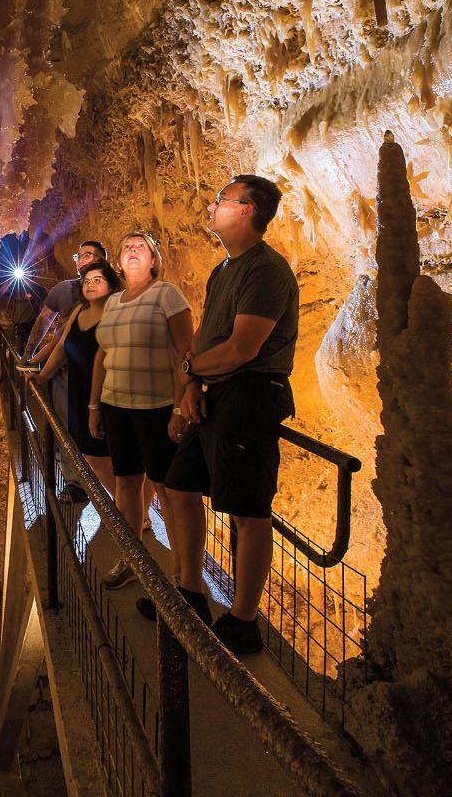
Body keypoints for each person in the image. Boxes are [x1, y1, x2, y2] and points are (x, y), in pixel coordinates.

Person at [164, 175, 298, 655]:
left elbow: (243, 348)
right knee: (179, 486)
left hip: (250, 395)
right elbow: (208, 334)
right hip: (215, 392)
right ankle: (191, 593)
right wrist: (194, 382)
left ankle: (243, 620)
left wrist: (188, 369)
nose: (212, 204)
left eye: (222, 199)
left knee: (247, 510)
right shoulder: (224, 271)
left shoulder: (265, 270)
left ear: (246, 211)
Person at [87, 232, 194, 589]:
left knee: (166, 488)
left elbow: (185, 353)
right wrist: (95, 405)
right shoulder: (114, 302)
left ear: (152, 259)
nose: (133, 252)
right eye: (126, 247)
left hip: (156, 407)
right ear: (118, 261)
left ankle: (181, 573)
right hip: (117, 406)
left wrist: (180, 407)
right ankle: (131, 556)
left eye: (141, 248)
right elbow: (103, 355)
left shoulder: (167, 294)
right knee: (126, 482)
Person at [32, 259, 119, 498]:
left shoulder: (117, 311)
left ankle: (131, 512)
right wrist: (42, 375)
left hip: (108, 390)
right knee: (92, 454)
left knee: (112, 454)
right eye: (86, 281)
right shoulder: (80, 311)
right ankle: (125, 507)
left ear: (111, 285)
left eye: (97, 280)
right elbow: (62, 346)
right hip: (80, 388)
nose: (90, 285)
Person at [25, 240, 107, 364]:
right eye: (78, 257)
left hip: (98, 363)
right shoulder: (63, 288)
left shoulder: (112, 292)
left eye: (87, 255)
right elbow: (44, 321)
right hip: (61, 365)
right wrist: (28, 355)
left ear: (101, 260)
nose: (80, 260)